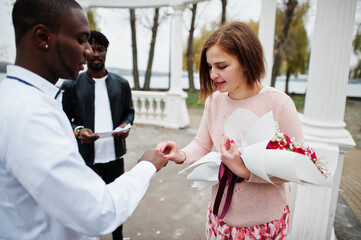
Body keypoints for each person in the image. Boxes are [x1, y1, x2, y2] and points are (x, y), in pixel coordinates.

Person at [0, 0, 167, 239]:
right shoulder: (28, 114)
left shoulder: (28, 97)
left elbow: (128, 111)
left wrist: (124, 125)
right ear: (42, 36)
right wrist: (146, 166)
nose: (89, 52)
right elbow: (99, 211)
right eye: (81, 40)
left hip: (112, 154)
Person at [156, 21, 303, 239]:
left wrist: (244, 171)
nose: (213, 74)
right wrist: (181, 154)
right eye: (209, 66)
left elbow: (297, 165)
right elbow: (202, 144)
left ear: (246, 61)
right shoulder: (214, 101)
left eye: (222, 66)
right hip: (219, 218)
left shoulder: (279, 104)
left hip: (265, 223)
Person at [61, 30, 134, 240]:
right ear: (85, 51)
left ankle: (118, 238)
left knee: (116, 202)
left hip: (115, 157)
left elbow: (129, 112)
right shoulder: (71, 85)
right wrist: (78, 131)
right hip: (85, 159)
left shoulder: (121, 84)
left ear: (105, 52)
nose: (95, 53)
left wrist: (125, 125)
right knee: (88, 204)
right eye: (91, 49)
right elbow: (64, 120)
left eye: (100, 49)